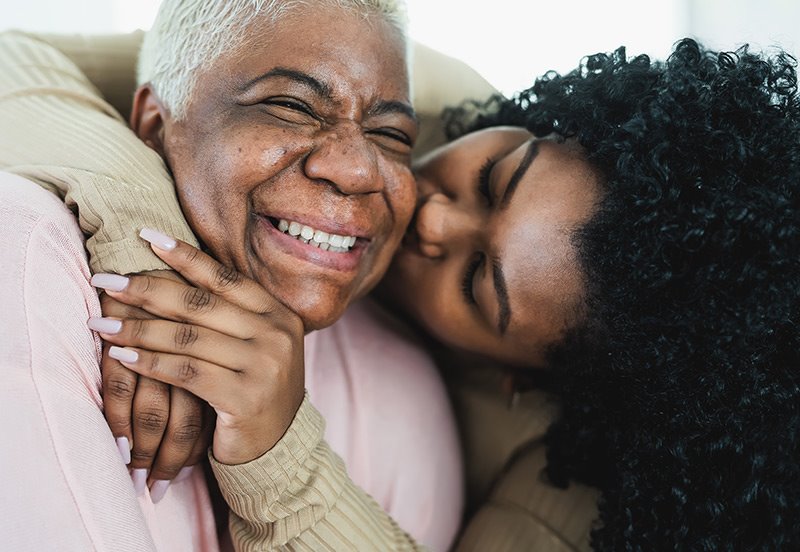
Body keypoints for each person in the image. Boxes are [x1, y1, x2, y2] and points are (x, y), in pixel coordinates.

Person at [6, 10, 797, 550]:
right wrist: (148, 235)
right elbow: (35, 56)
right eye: (491, 178)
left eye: (479, 282)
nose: (432, 220)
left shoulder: (559, 494)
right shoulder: (413, 98)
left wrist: (280, 451)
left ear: (517, 377)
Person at [0, 1, 469, 550]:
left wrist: (280, 465)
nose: (357, 170)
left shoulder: (408, 394)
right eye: (291, 105)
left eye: (392, 134)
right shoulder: (30, 260)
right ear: (153, 125)